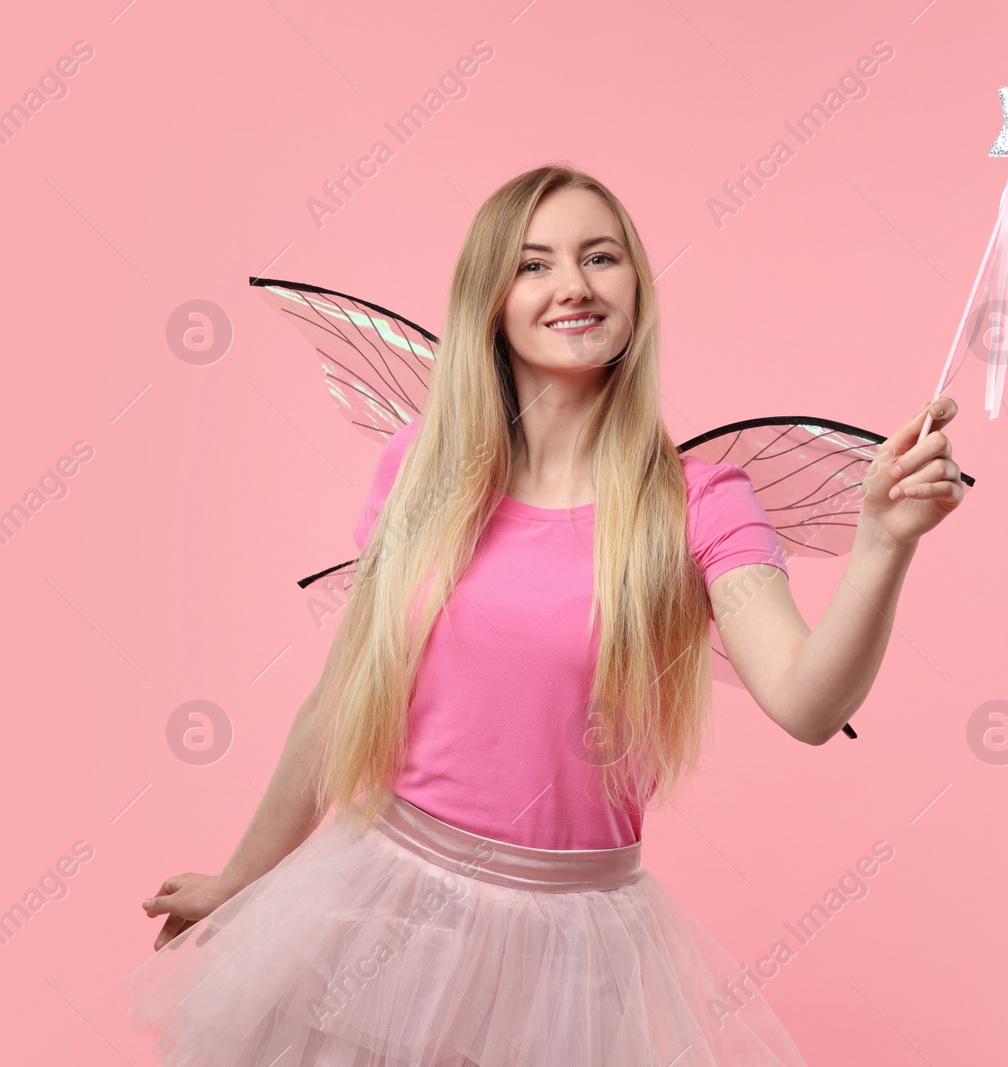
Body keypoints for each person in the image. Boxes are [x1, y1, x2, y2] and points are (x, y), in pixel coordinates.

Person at [120, 164, 965, 1065]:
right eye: (534, 264)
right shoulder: (424, 467)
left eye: (600, 256)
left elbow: (807, 701)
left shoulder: (700, 504)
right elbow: (340, 697)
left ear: (635, 286)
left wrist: (883, 543)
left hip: (568, 950)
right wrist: (243, 877)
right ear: (491, 301)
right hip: (380, 902)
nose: (574, 284)